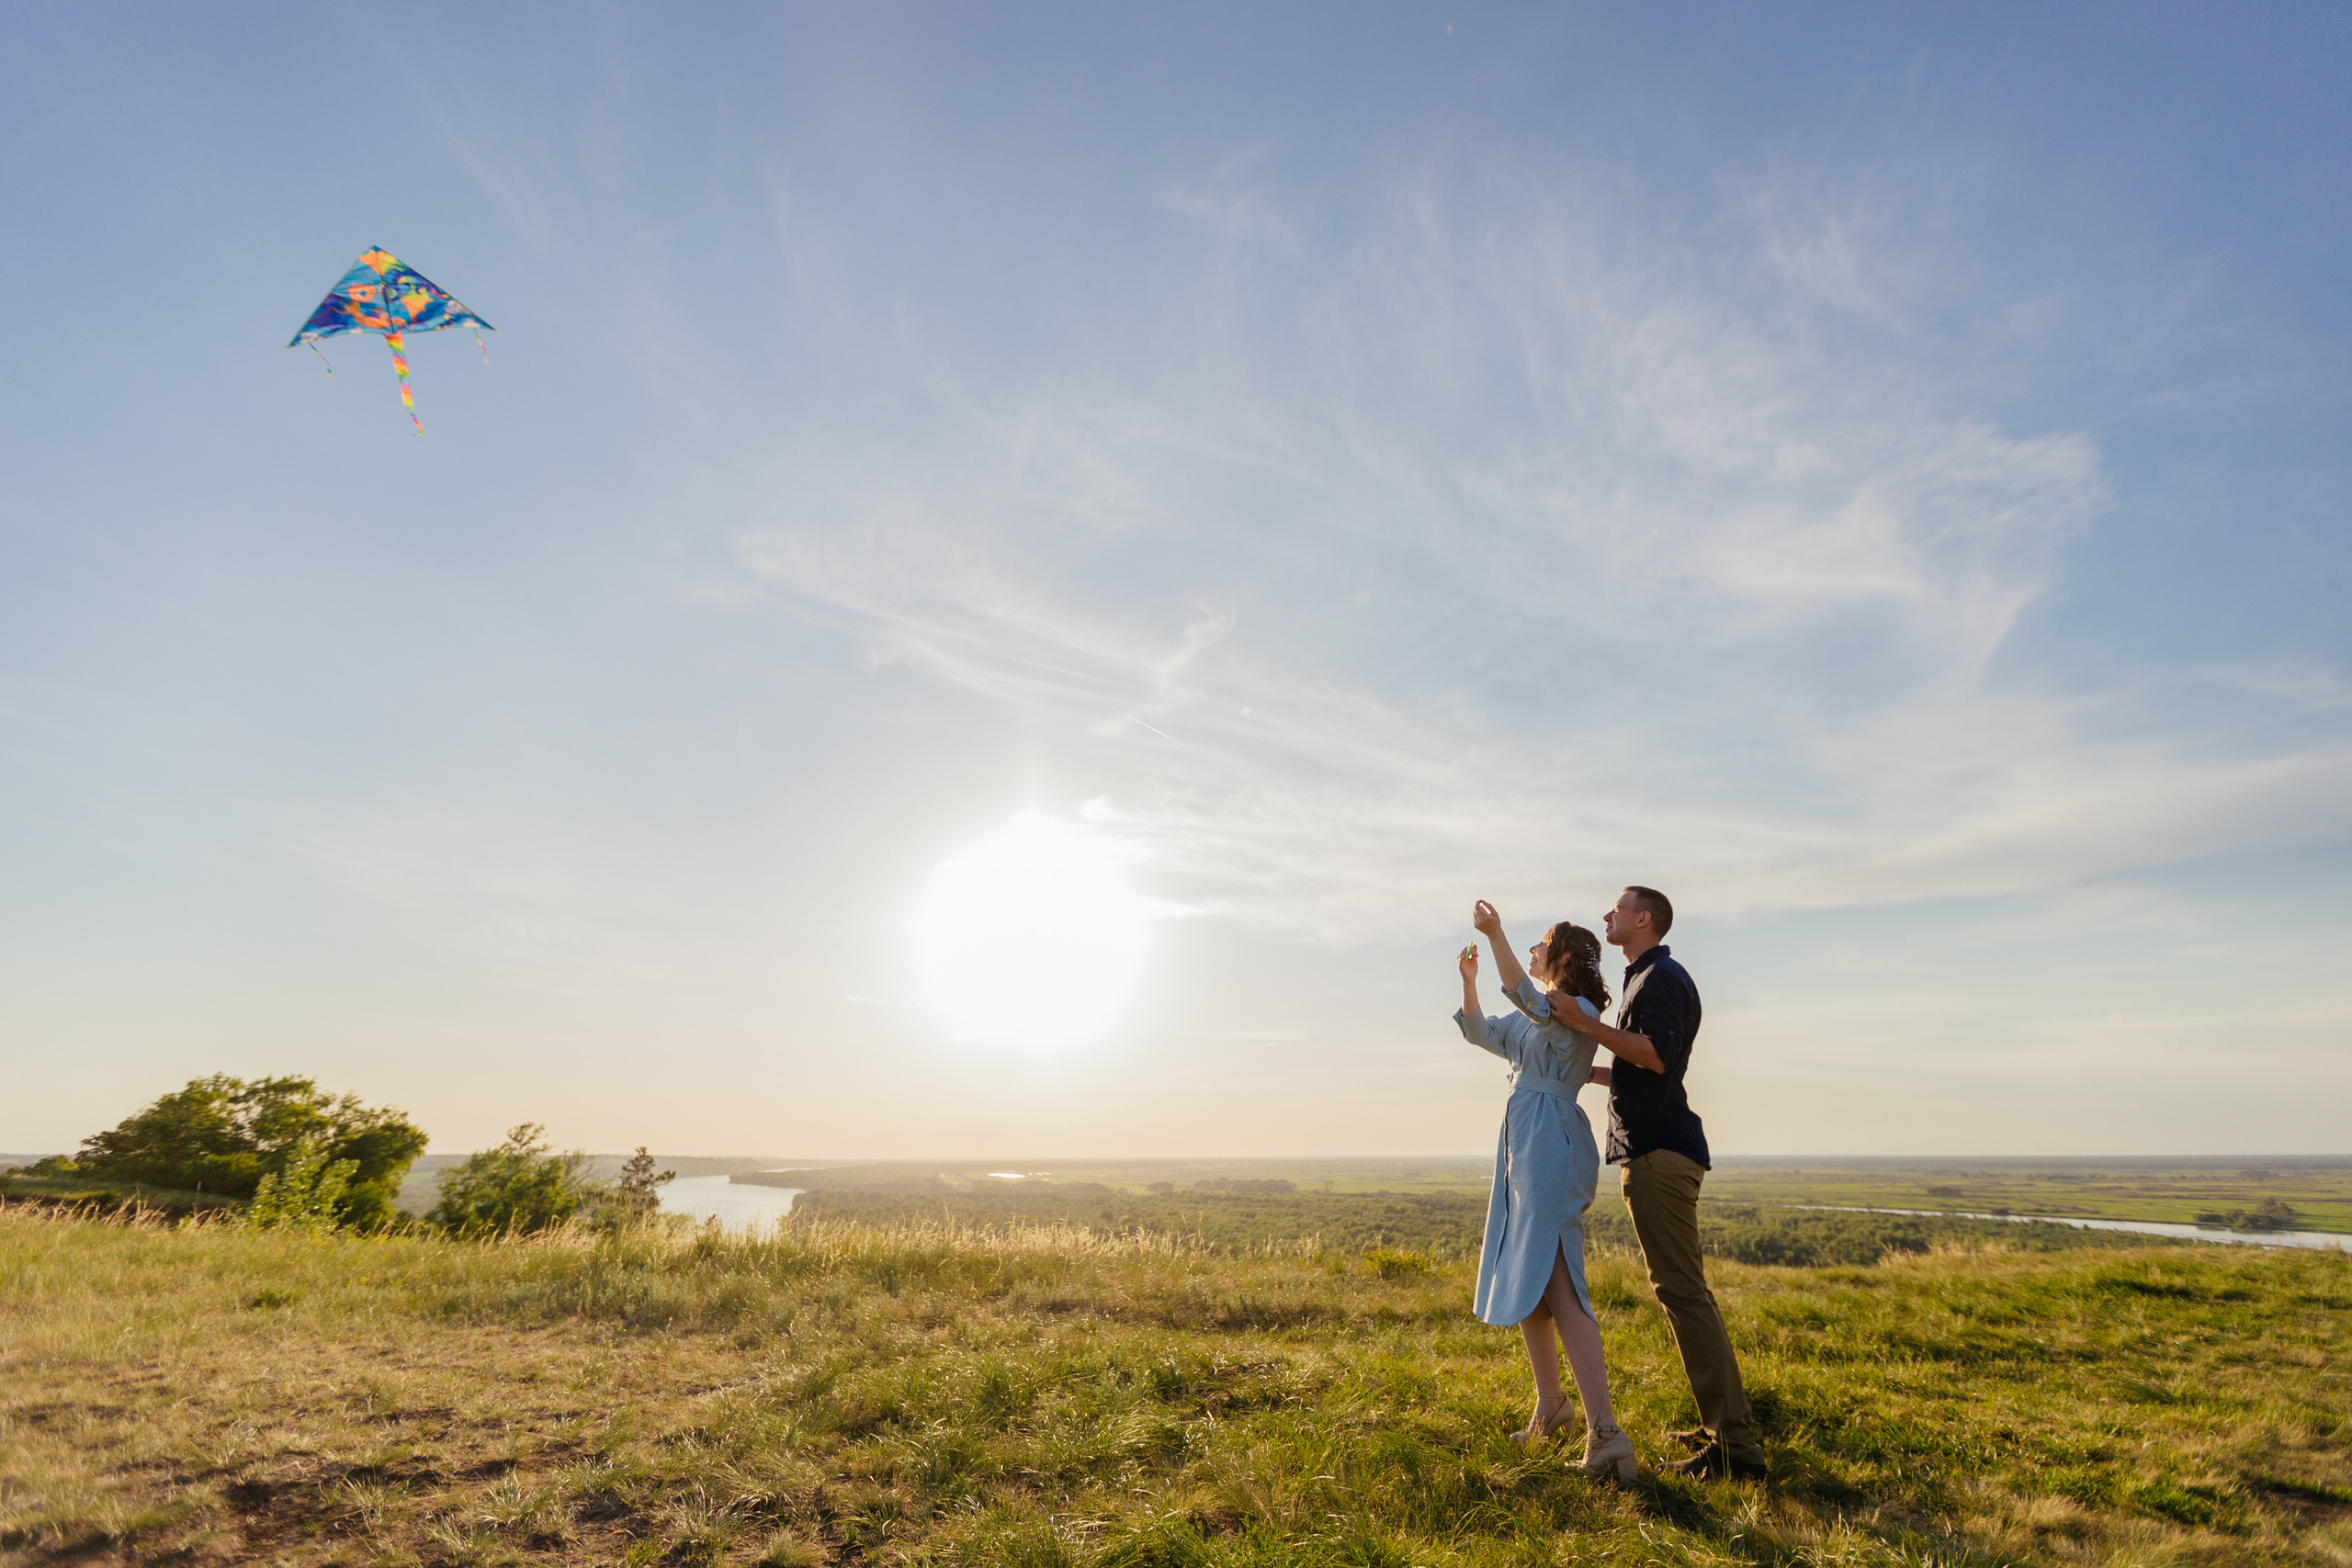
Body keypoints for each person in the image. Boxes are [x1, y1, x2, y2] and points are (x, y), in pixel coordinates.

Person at [1543, 886, 1767, 1482]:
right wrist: (1578, 1070)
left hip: (1661, 1152)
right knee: (1683, 1292)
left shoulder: (1659, 977)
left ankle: (1735, 1448)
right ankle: (1723, 1423)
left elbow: (1657, 1055)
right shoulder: (1651, 977)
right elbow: (1637, 1061)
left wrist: (1570, 1016)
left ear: (1644, 919)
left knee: (1684, 1293)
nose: (1607, 915)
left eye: (1617, 908)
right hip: (1660, 1149)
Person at [1454, 899, 1636, 1483]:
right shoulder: (1535, 1020)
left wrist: (1496, 932)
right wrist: (1470, 982)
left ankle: (1606, 1431)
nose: (1531, 950)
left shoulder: (1571, 1007)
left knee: (1559, 1278)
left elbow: (1529, 1000)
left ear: (1560, 957)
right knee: (1532, 1276)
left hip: (1553, 1143)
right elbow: (1483, 1033)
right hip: (1524, 1143)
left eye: (1539, 943)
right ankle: (1550, 1404)